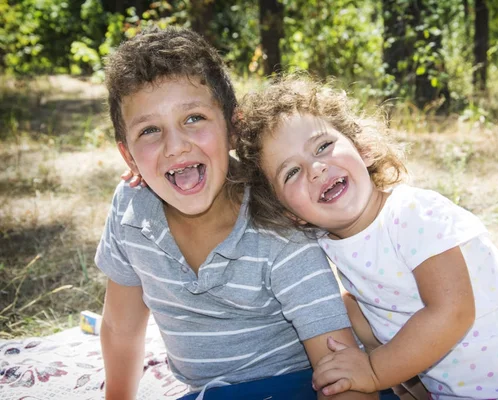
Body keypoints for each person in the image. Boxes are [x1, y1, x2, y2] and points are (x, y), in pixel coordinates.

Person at [234, 75, 498, 400]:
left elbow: (451, 311)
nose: (316, 168)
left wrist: (375, 371)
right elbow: (376, 309)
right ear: (289, 213)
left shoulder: (412, 214)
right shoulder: (329, 244)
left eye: (323, 145)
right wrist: (395, 371)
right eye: (291, 172)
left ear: (363, 148)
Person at [95, 27, 377, 400]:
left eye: (194, 118)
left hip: (297, 386)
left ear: (233, 128)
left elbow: (343, 375)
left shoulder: (277, 227)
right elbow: (120, 328)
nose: (176, 146)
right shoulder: (132, 210)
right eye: (149, 130)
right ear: (128, 156)